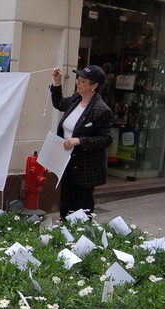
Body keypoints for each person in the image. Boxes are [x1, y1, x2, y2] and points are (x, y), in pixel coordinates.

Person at [51, 65, 113, 221]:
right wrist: (57, 83)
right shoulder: (76, 99)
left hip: (85, 167)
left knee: (81, 207)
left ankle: (81, 238)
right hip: (66, 160)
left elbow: (106, 139)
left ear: (94, 86)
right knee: (66, 203)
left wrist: (79, 141)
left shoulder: (101, 110)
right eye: (78, 79)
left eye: (83, 81)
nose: (78, 83)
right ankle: (63, 234)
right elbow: (58, 103)